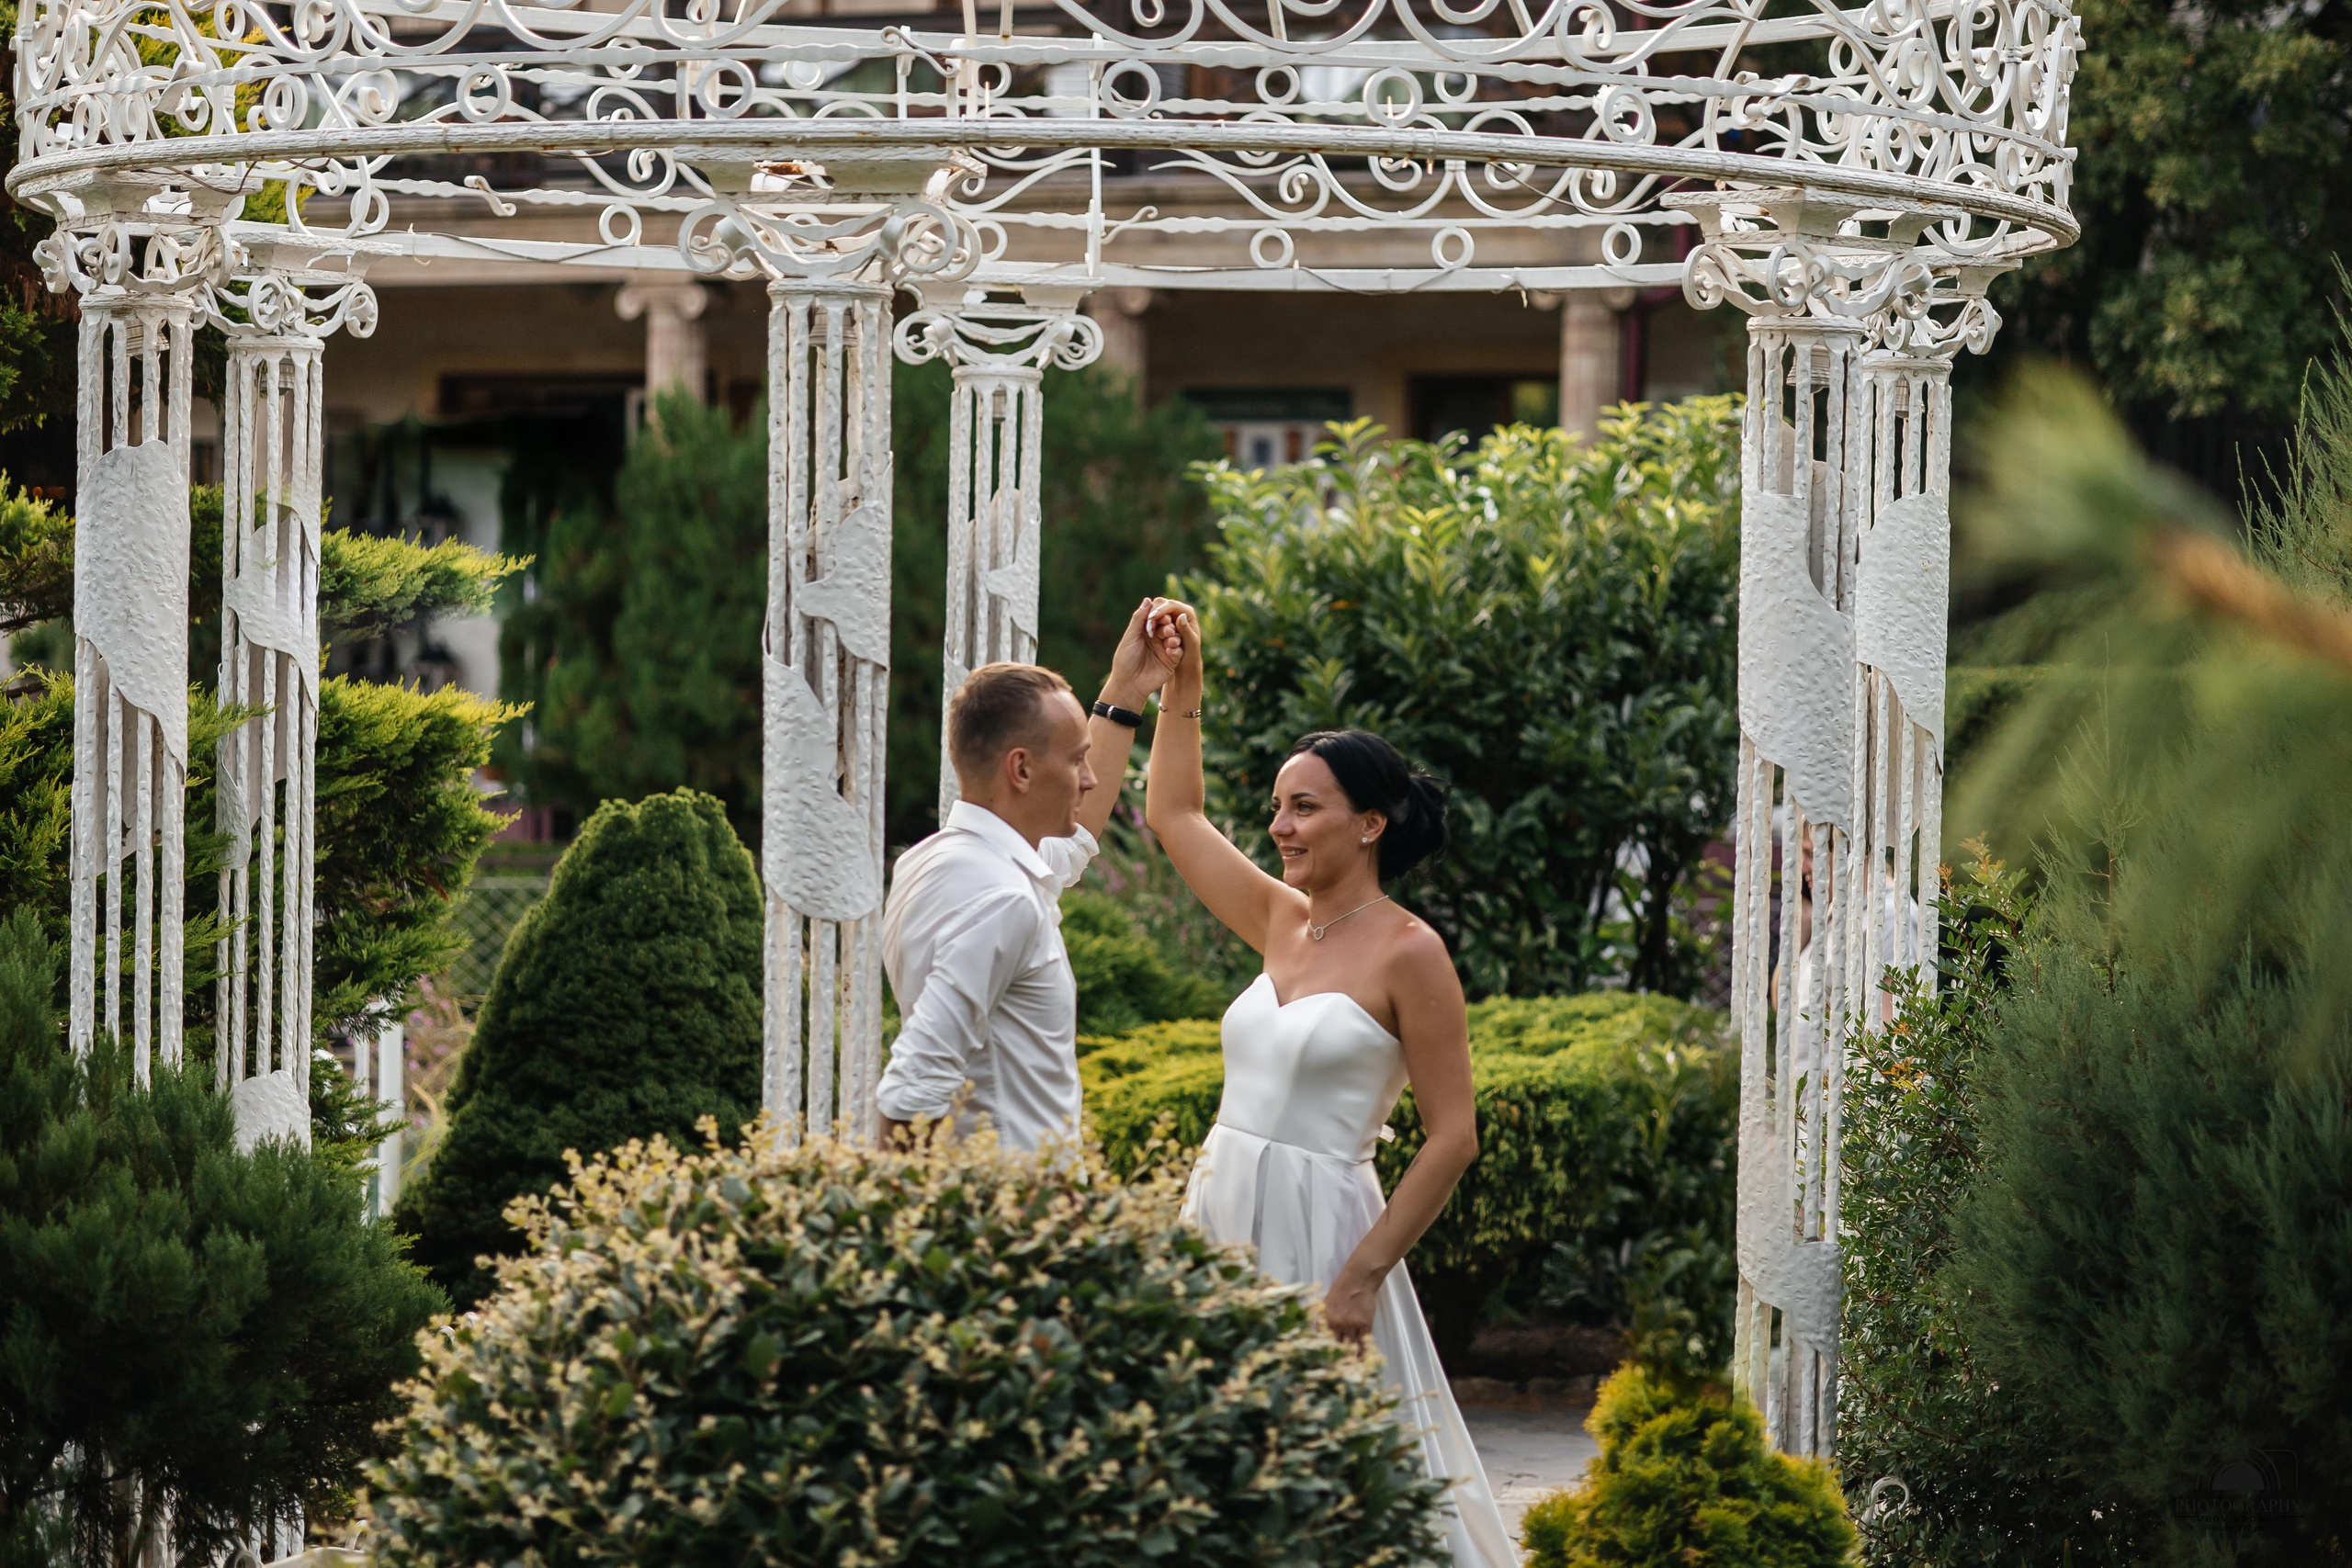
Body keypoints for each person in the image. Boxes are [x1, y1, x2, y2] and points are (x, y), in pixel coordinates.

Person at [1140, 598, 1517, 1567]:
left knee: (1341, 1477)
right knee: (1208, 1465)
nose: (1279, 826)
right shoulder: (1277, 919)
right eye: (1276, 805)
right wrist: (1183, 689)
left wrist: (1359, 1277)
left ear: (1370, 824)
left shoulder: (1410, 952)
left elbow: (1452, 1136)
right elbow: (1173, 815)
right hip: (1218, 1209)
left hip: (1323, 1229)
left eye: (1303, 807)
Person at [873, 599, 1183, 1151]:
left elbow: (1078, 840)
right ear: (1020, 768)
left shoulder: (934, 859)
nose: (1088, 779)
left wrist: (1127, 690)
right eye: (1075, 761)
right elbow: (912, 1092)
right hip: (1014, 1218)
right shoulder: (1002, 900)